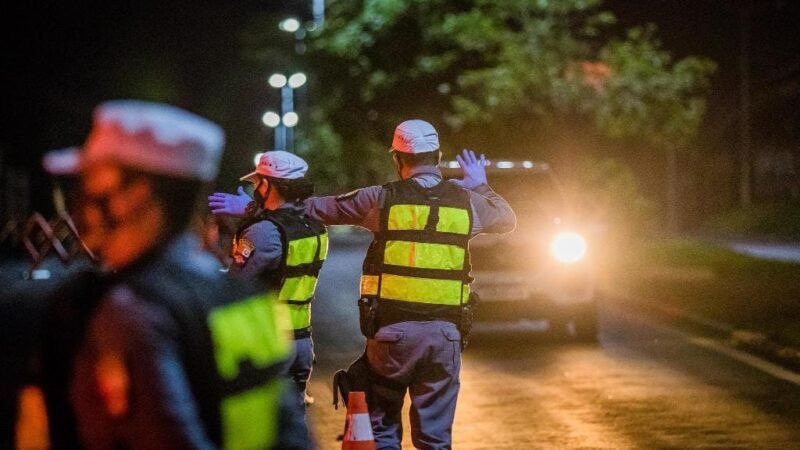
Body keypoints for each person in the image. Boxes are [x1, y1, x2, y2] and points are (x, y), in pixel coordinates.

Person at [209, 119, 516, 450]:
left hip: (392, 337)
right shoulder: (466, 201)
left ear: (397, 159)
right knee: (435, 438)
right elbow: (507, 218)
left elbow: (314, 209)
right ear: (438, 156)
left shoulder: (381, 199)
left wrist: (255, 207)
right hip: (445, 336)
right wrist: (479, 183)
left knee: (381, 427)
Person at [37, 100, 314, 449]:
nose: (79, 200)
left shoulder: (128, 310)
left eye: (91, 182)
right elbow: (291, 435)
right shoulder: (247, 297)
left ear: (135, 196)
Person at [227, 150, 328, 410]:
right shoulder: (315, 227)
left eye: (257, 183)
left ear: (268, 185)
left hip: (270, 344)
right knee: (293, 425)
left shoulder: (264, 232)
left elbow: (235, 284)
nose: (254, 190)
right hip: (302, 342)